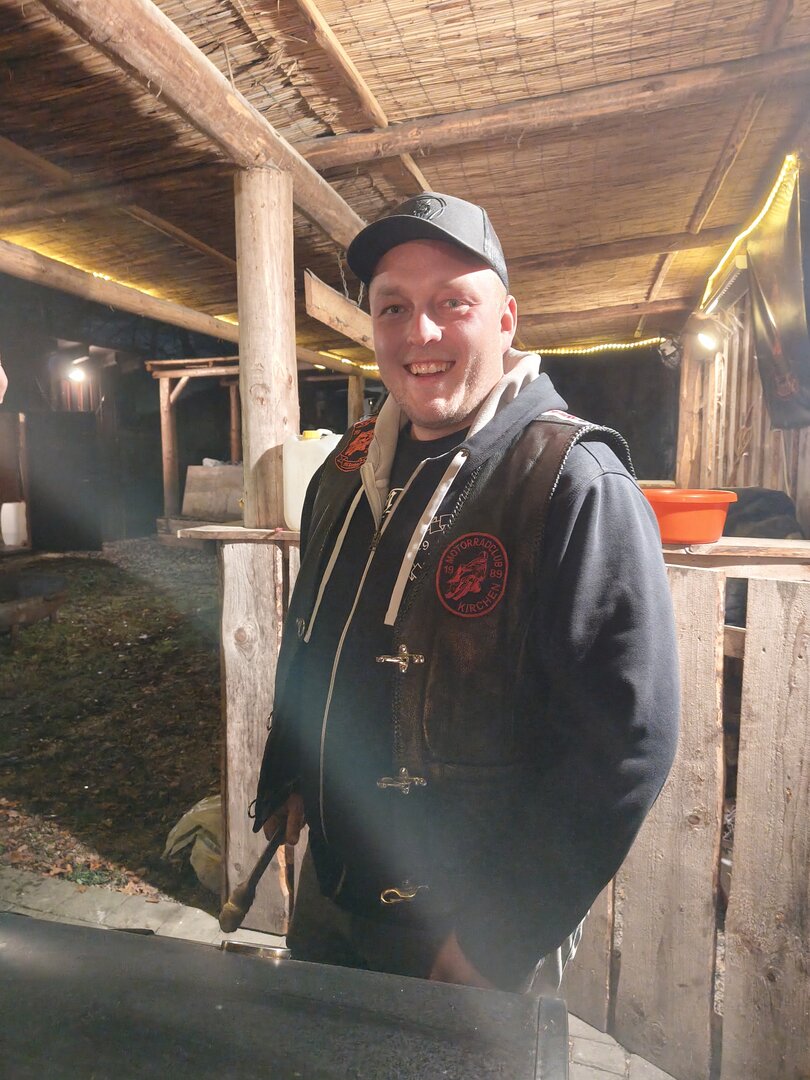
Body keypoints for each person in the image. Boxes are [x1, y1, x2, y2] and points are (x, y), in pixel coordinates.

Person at [253, 192, 679, 992]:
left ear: (506, 320)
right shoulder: (343, 469)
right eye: (394, 307)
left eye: (454, 303)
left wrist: (496, 937)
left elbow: (627, 742)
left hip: (465, 932)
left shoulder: (575, 482)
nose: (420, 332)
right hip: (331, 889)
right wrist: (288, 766)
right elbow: (311, 631)